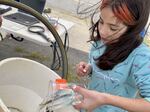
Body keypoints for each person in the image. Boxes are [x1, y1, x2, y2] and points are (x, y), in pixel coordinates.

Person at [75, 0, 150, 112]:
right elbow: (105, 69)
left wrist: (105, 99)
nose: (103, 32)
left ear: (133, 29)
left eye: (113, 28)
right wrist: (89, 68)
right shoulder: (101, 42)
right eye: (101, 22)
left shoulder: (141, 56)